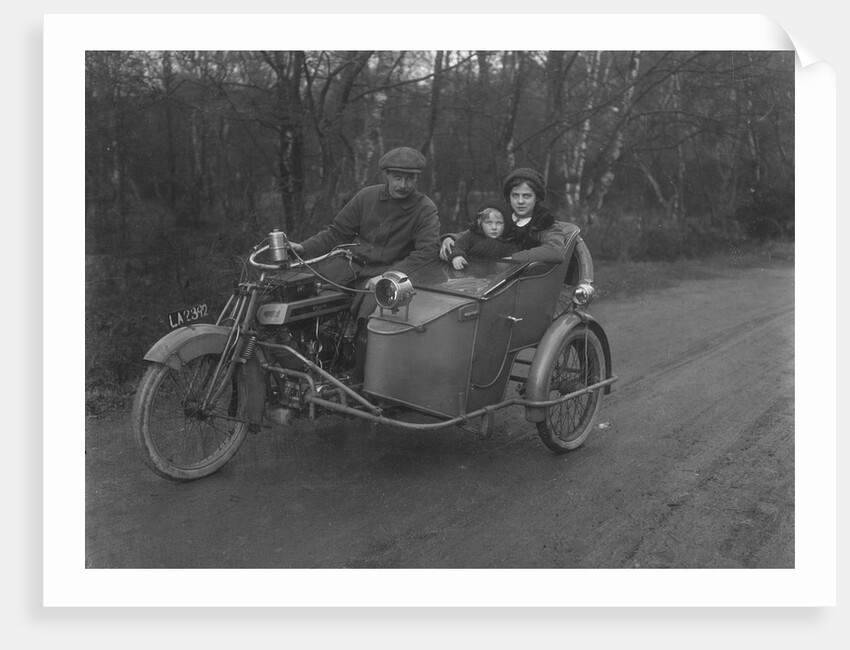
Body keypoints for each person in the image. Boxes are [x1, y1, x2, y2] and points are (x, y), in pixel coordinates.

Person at [289, 146, 441, 380]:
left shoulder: (425, 208)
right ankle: (305, 363)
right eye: (397, 177)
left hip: (386, 275)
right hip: (350, 266)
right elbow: (336, 233)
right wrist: (304, 247)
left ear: (417, 178)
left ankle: (361, 381)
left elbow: (427, 252)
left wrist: (389, 276)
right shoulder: (366, 197)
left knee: (372, 317)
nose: (403, 185)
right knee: (305, 296)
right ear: (387, 175)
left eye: (409, 179)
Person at [440, 167, 566, 265]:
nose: (520, 201)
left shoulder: (543, 222)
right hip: (489, 273)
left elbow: (556, 251)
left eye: (527, 196)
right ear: (508, 197)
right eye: (515, 195)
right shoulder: (503, 215)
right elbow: (476, 232)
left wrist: (513, 259)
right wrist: (451, 238)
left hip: (524, 278)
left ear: (537, 197)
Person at [443, 200, 521, 270]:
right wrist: (457, 256)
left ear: (506, 225)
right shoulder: (472, 236)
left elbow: (512, 266)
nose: (494, 227)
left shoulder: (509, 244)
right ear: (480, 223)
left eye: (499, 223)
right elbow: (458, 245)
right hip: (467, 274)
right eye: (489, 223)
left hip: (494, 277)